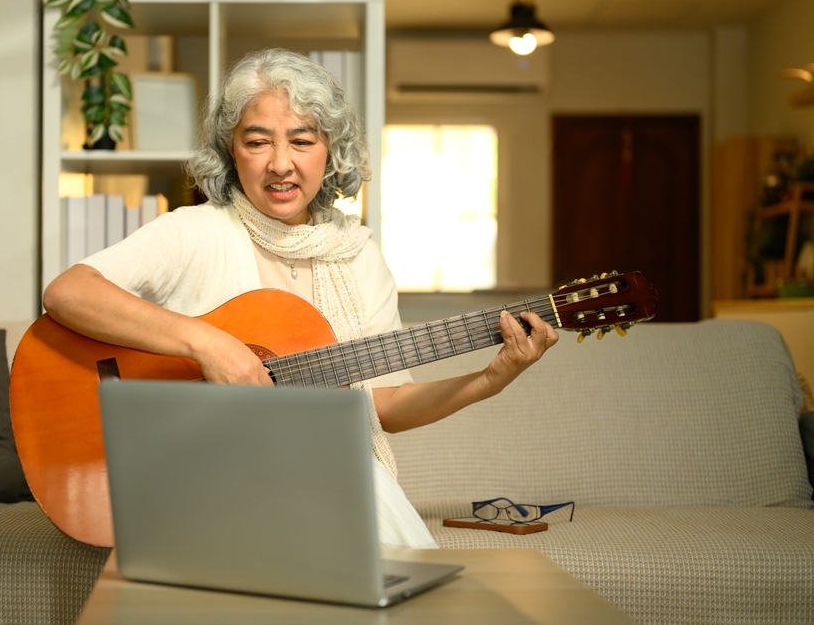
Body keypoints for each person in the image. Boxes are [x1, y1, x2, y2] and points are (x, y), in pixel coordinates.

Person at [43, 48, 559, 549]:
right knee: (334, 477)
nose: (280, 164)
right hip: (185, 465)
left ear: (330, 149)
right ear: (230, 149)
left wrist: (490, 379)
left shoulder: (359, 258)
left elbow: (386, 406)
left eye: (302, 140)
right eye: (258, 141)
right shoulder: (194, 233)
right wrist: (208, 344)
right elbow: (68, 293)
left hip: (304, 477)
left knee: (340, 471)